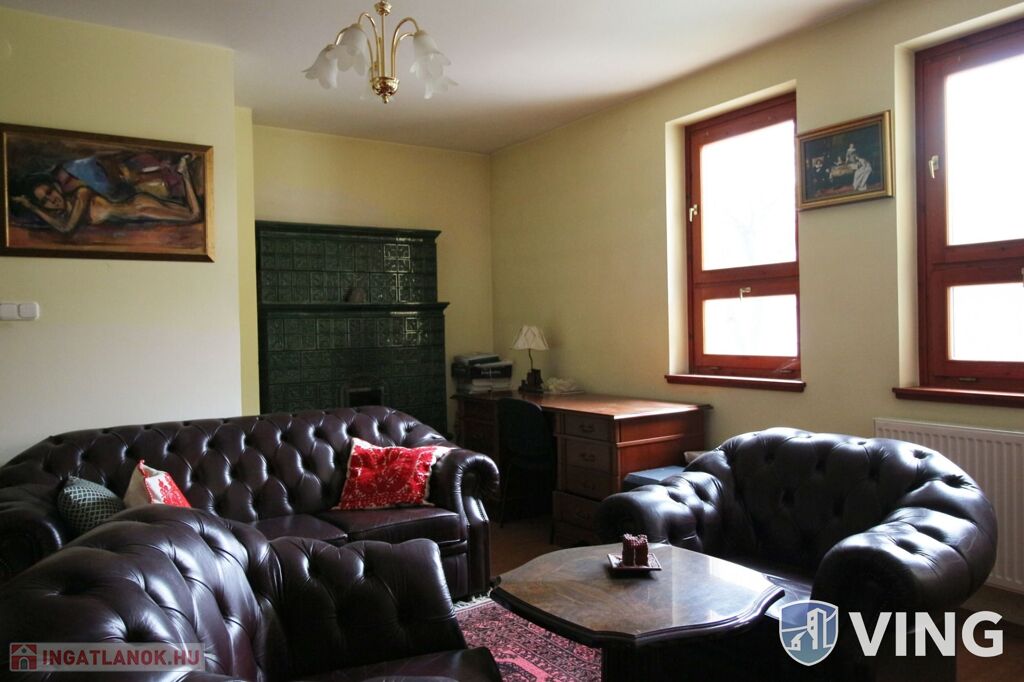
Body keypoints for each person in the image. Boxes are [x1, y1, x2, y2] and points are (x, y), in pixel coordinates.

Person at [12, 155, 201, 234]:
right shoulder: (68, 209)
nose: (52, 200)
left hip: (139, 208)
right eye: (44, 201)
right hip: (138, 206)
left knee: (193, 215)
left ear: (56, 186)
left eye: (49, 192)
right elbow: (61, 222)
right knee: (188, 212)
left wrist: (33, 208)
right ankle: (183, 172)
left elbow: (66, 228)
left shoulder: (82, 194)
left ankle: (184, 173)